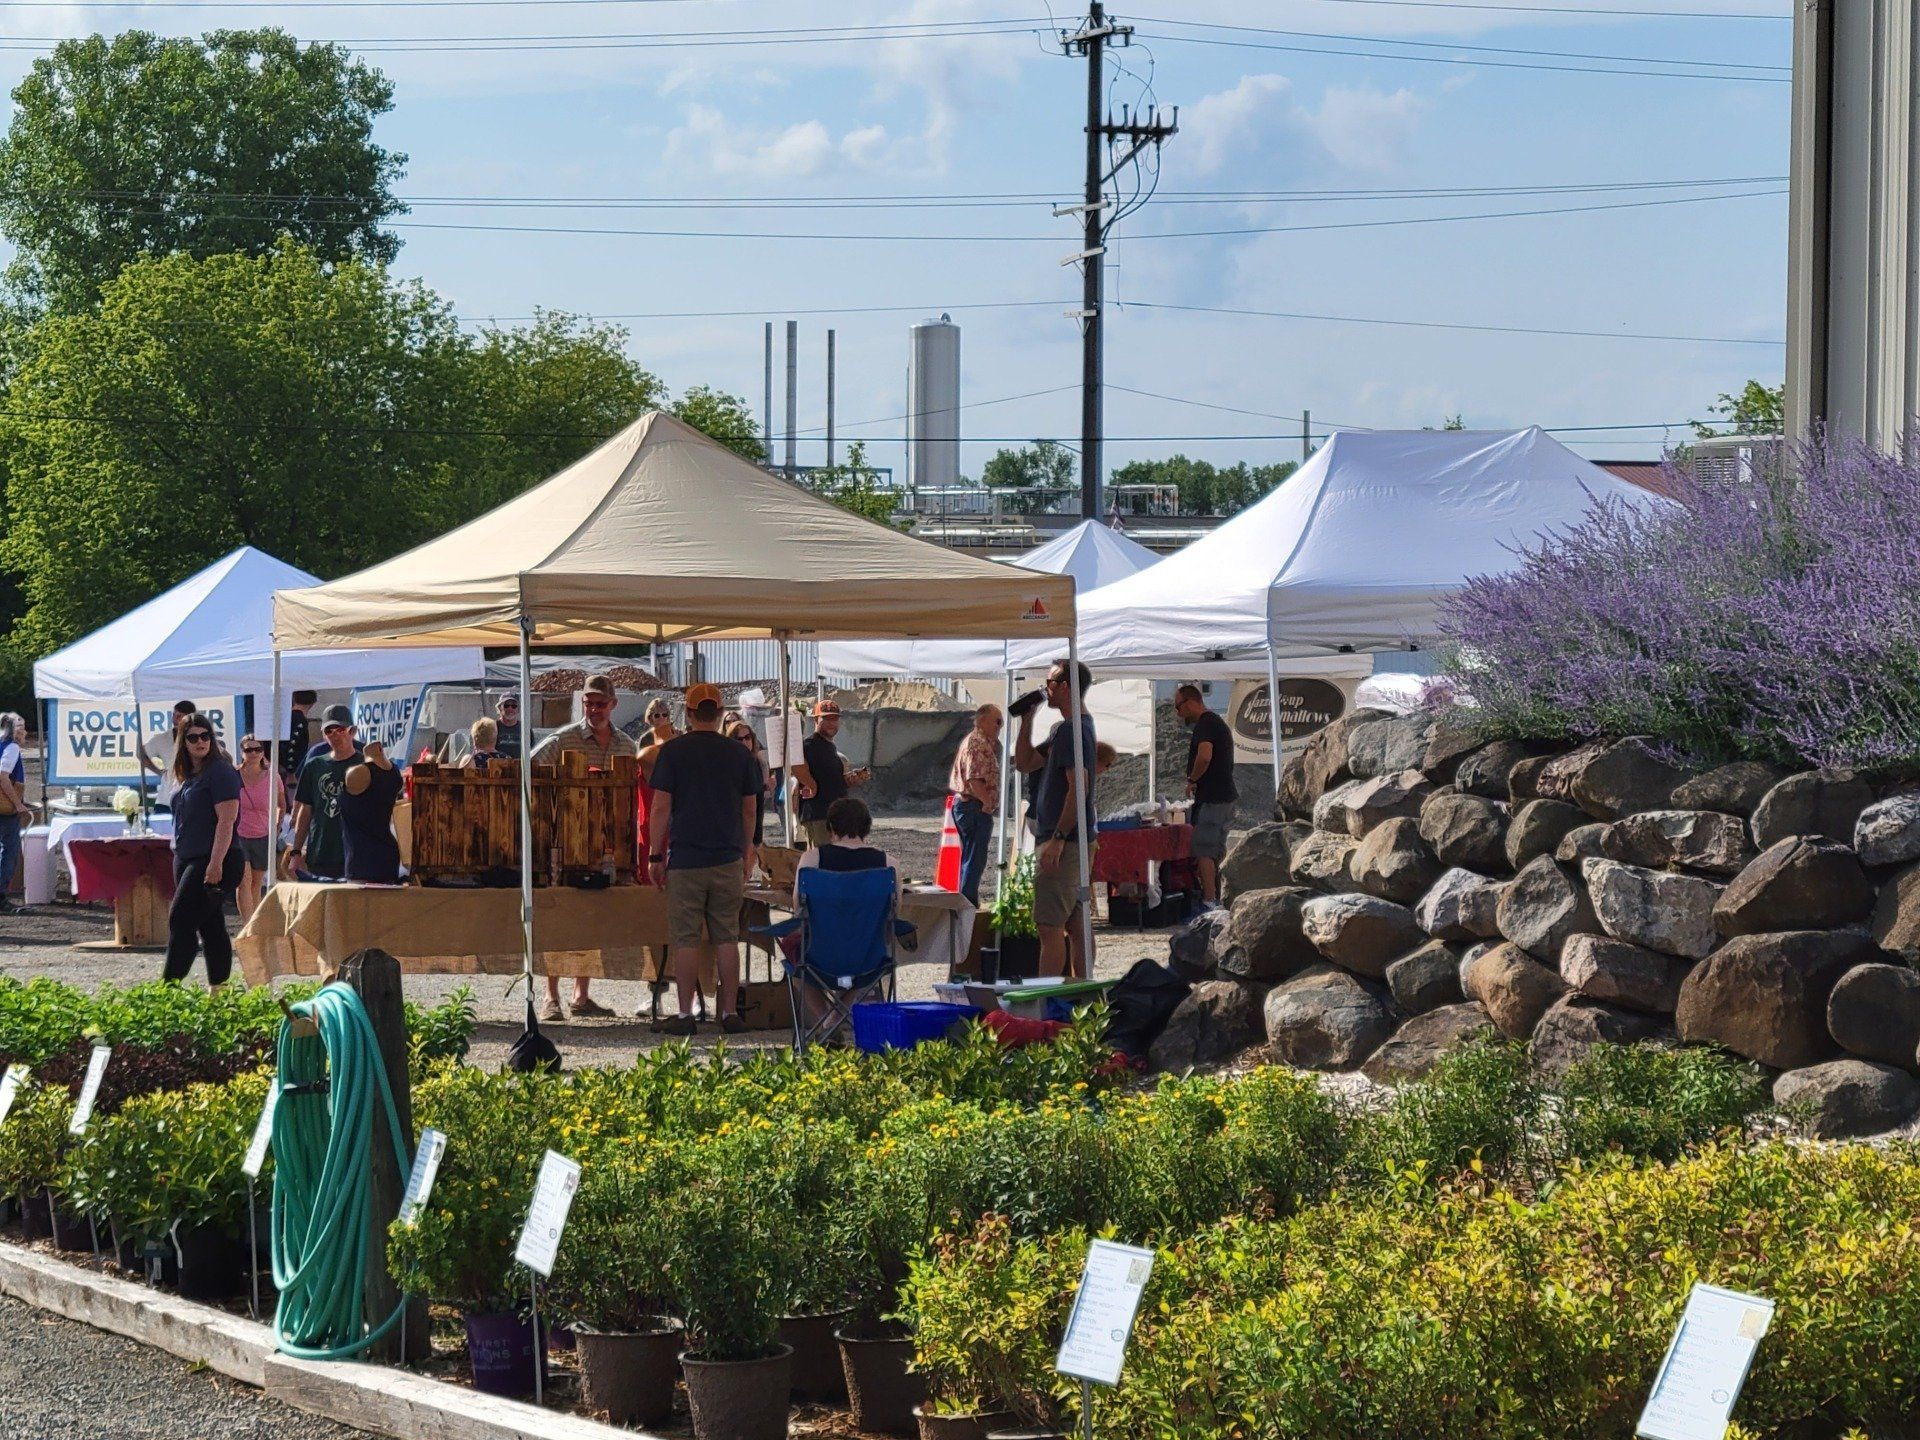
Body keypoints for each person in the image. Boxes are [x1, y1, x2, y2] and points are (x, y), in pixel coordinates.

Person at [647, 682, 761, 1036]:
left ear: (690, 712)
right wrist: (748, 849)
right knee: (727, 936)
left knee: (686, 939)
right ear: (718, 711)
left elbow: (661, 807)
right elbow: (749, 809)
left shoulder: (673, 751)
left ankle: (684, 1015)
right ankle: (728, 1013)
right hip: (727, 857)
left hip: (686, 858)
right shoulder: (740, 754)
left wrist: (654, 853)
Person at [530, 676, 635, 1020]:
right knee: (558, 915)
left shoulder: (626, 745)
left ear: (613, 704)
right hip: (566, 841)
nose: (593, 709)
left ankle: (581, 995)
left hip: (608, 844)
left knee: (591, 917)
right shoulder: (564, 738)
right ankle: (550, 998)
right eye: (588, 703)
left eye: (600, 703)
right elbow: (529, 769)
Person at [1014, 659, 1098, 979]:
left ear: (1065, 687)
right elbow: (1025, 762)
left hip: (1064, 843)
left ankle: (1047, 1000)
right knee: (1077, 924)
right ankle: (1082, 994)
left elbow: (1079, 786)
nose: (1045, 689)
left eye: (1050, 683)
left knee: (1049, 928)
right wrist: (1026, 720)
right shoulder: (1072, 728)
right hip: (1077, 842)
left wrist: (1058, 839)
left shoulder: (1068, 730)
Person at [163, 712, 242, 986]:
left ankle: (167, 989)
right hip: (187, 856)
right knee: (210, 923)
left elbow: (227, 820)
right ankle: (218, 990)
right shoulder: (187, 775)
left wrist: (215, 864)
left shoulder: (220, 771)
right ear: (183, 742)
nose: (200, 742)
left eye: (205, 735)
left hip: (215, 858)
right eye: (193, 737)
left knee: (181, 919)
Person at [1176, 684, 1237, 909]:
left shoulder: (1206, 725)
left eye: (1178, 707)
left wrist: (1192, 780)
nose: (1177, 713)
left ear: (1190, 702)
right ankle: (1217, 898)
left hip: (1213, 797)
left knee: (1203, 849)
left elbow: (1204, 756)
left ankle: (1209, 900)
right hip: (1224, 796)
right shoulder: (1215, 723)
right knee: (1216, 851)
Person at [287, 705, 361, 882]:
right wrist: (296, 851)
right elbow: (305, 810)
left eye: (340, 729)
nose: (335, 735)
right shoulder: (314, 766)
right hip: (321, 851)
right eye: (329, 730)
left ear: (352, 731)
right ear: (323, 734)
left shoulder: (365, 764)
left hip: (356, 853)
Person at [947, 704, 1002, 904]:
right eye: (997, 721)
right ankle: (968, 903)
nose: (1000, 726)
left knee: (971, 856)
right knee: (975, 858)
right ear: (982, 721)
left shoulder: (979, 741)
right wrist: (986, 802)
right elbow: (974, 778)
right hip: (974, 806)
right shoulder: (978, 744)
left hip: (970, 805)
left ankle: (966, 902)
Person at [796, 699, 869, 849]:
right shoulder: (809, 746)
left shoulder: (830, 748)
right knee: (822, 864)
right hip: (818, 816)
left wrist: (850, 779)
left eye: (834, 719)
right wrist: (811, 785)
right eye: (826, 718)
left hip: (835, 817)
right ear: (816, 719)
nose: (831, 723)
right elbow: (793, 765)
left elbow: (829, 781)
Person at [233, 733, 285, 922]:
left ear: (263, 751)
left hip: (263, 835)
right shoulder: (234, 775)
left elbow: (282, 804)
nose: (253, 753)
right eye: (249, 749)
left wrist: (277, 828)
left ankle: (255, 923)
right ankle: (248, 926)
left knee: (256, 883)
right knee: (243, 882)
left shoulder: (272, 776)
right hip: (239, 834)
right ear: (242, 752)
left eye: (258, 749)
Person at [340, 743, 404, 884]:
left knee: (360, 905)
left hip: (361, 857)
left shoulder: (357, 773)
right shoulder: (394, 772)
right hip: (387, 856)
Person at [0, 712, 32, 916]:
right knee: (9, 851)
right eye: (21, 727)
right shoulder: (11, 747)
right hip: (4, 809)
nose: (25, 731)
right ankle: (1, 896)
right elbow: (3, 777)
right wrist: (17, 803)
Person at [139, 700, 196, 811]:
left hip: (192, 799)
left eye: (179, 716)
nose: (174, 719)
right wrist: (158, 771)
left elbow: (226, 757)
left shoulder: (201, 738)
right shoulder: (163, 739)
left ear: (189, 717)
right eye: (173, 715)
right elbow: (141, 753)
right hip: (166, 800)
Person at [727, 719, 773, 849]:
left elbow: (757, 802)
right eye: (738, 739)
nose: (744, 742)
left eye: (747, 738)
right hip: (733, 831)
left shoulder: (757, 763)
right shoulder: (728, 767)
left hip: (755, 827)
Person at [281, 691, 317, 784]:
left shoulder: (285, 716)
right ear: (312, 704)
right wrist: (291, 772)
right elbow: (291, 746)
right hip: (288, 772)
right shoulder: (298, 719)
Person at [493, 695, 523, 759]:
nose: (510, 709)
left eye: (514, 706)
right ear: (500, 708)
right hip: (496, 766)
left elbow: (532, 750)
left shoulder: (525, 729)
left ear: (518, 709)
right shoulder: (492, 727)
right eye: (506, 705)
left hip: (519, 767)